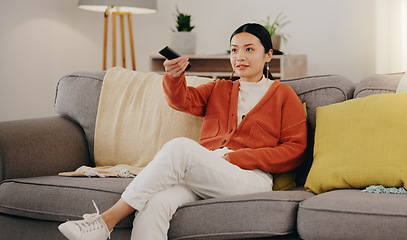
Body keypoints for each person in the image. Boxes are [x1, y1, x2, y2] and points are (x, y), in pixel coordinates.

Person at [58, 22, 307, 240]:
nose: (239, 56)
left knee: (180, 147)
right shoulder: (220, 89)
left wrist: (234, 157)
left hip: (251, 179)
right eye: (234, 50)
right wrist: (174, 77)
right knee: (155, 203)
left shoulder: (283, 95)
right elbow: (183, 100)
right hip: (206, 173)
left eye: (249, 49)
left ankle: (105, 222)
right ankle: (103, 226)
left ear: (268, 55)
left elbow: (295, 151)